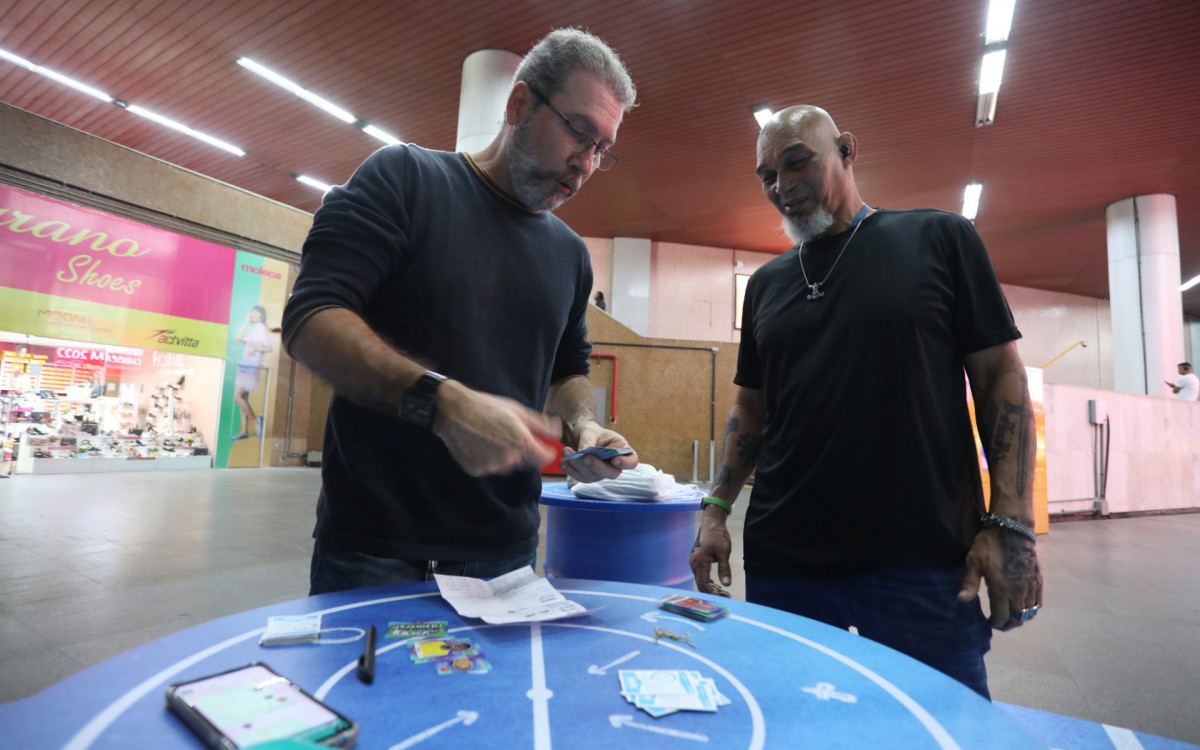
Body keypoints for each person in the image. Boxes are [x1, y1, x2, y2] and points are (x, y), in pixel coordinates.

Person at [690, 105, 1042, 699]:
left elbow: (1000, 381)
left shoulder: (939, 237)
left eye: (797, 162)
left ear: (847, 150)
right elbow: (751, 411)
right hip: (788, 562)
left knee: (941, 731)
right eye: (767, 175)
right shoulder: (766, 286)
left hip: (922, 563)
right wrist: (716, 508)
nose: (782, 186)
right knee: (797, 730)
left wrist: (1011, 524)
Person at [282, 28, 639, 595]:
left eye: (602, 149)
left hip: (506, 555)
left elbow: (567, 368)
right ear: (520, 103)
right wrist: (441, 402)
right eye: (578, 131)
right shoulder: (405, 178)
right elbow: (312, 317)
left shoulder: (570, 255)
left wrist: (584, 425)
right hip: (375, 549)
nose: (586, 163)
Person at [232, 305, 273, 440]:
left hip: (251, 366)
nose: (253, 315)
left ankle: (256, 422)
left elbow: (268, 347)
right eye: (252, 313)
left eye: (256, 313)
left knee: (238, 397)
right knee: (243, 398)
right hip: (246, 365)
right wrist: (246, 322)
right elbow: (238, 337)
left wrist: (255, 348)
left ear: (262, 315)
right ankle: (244, 430)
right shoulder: (255, 329)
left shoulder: (261, 329)